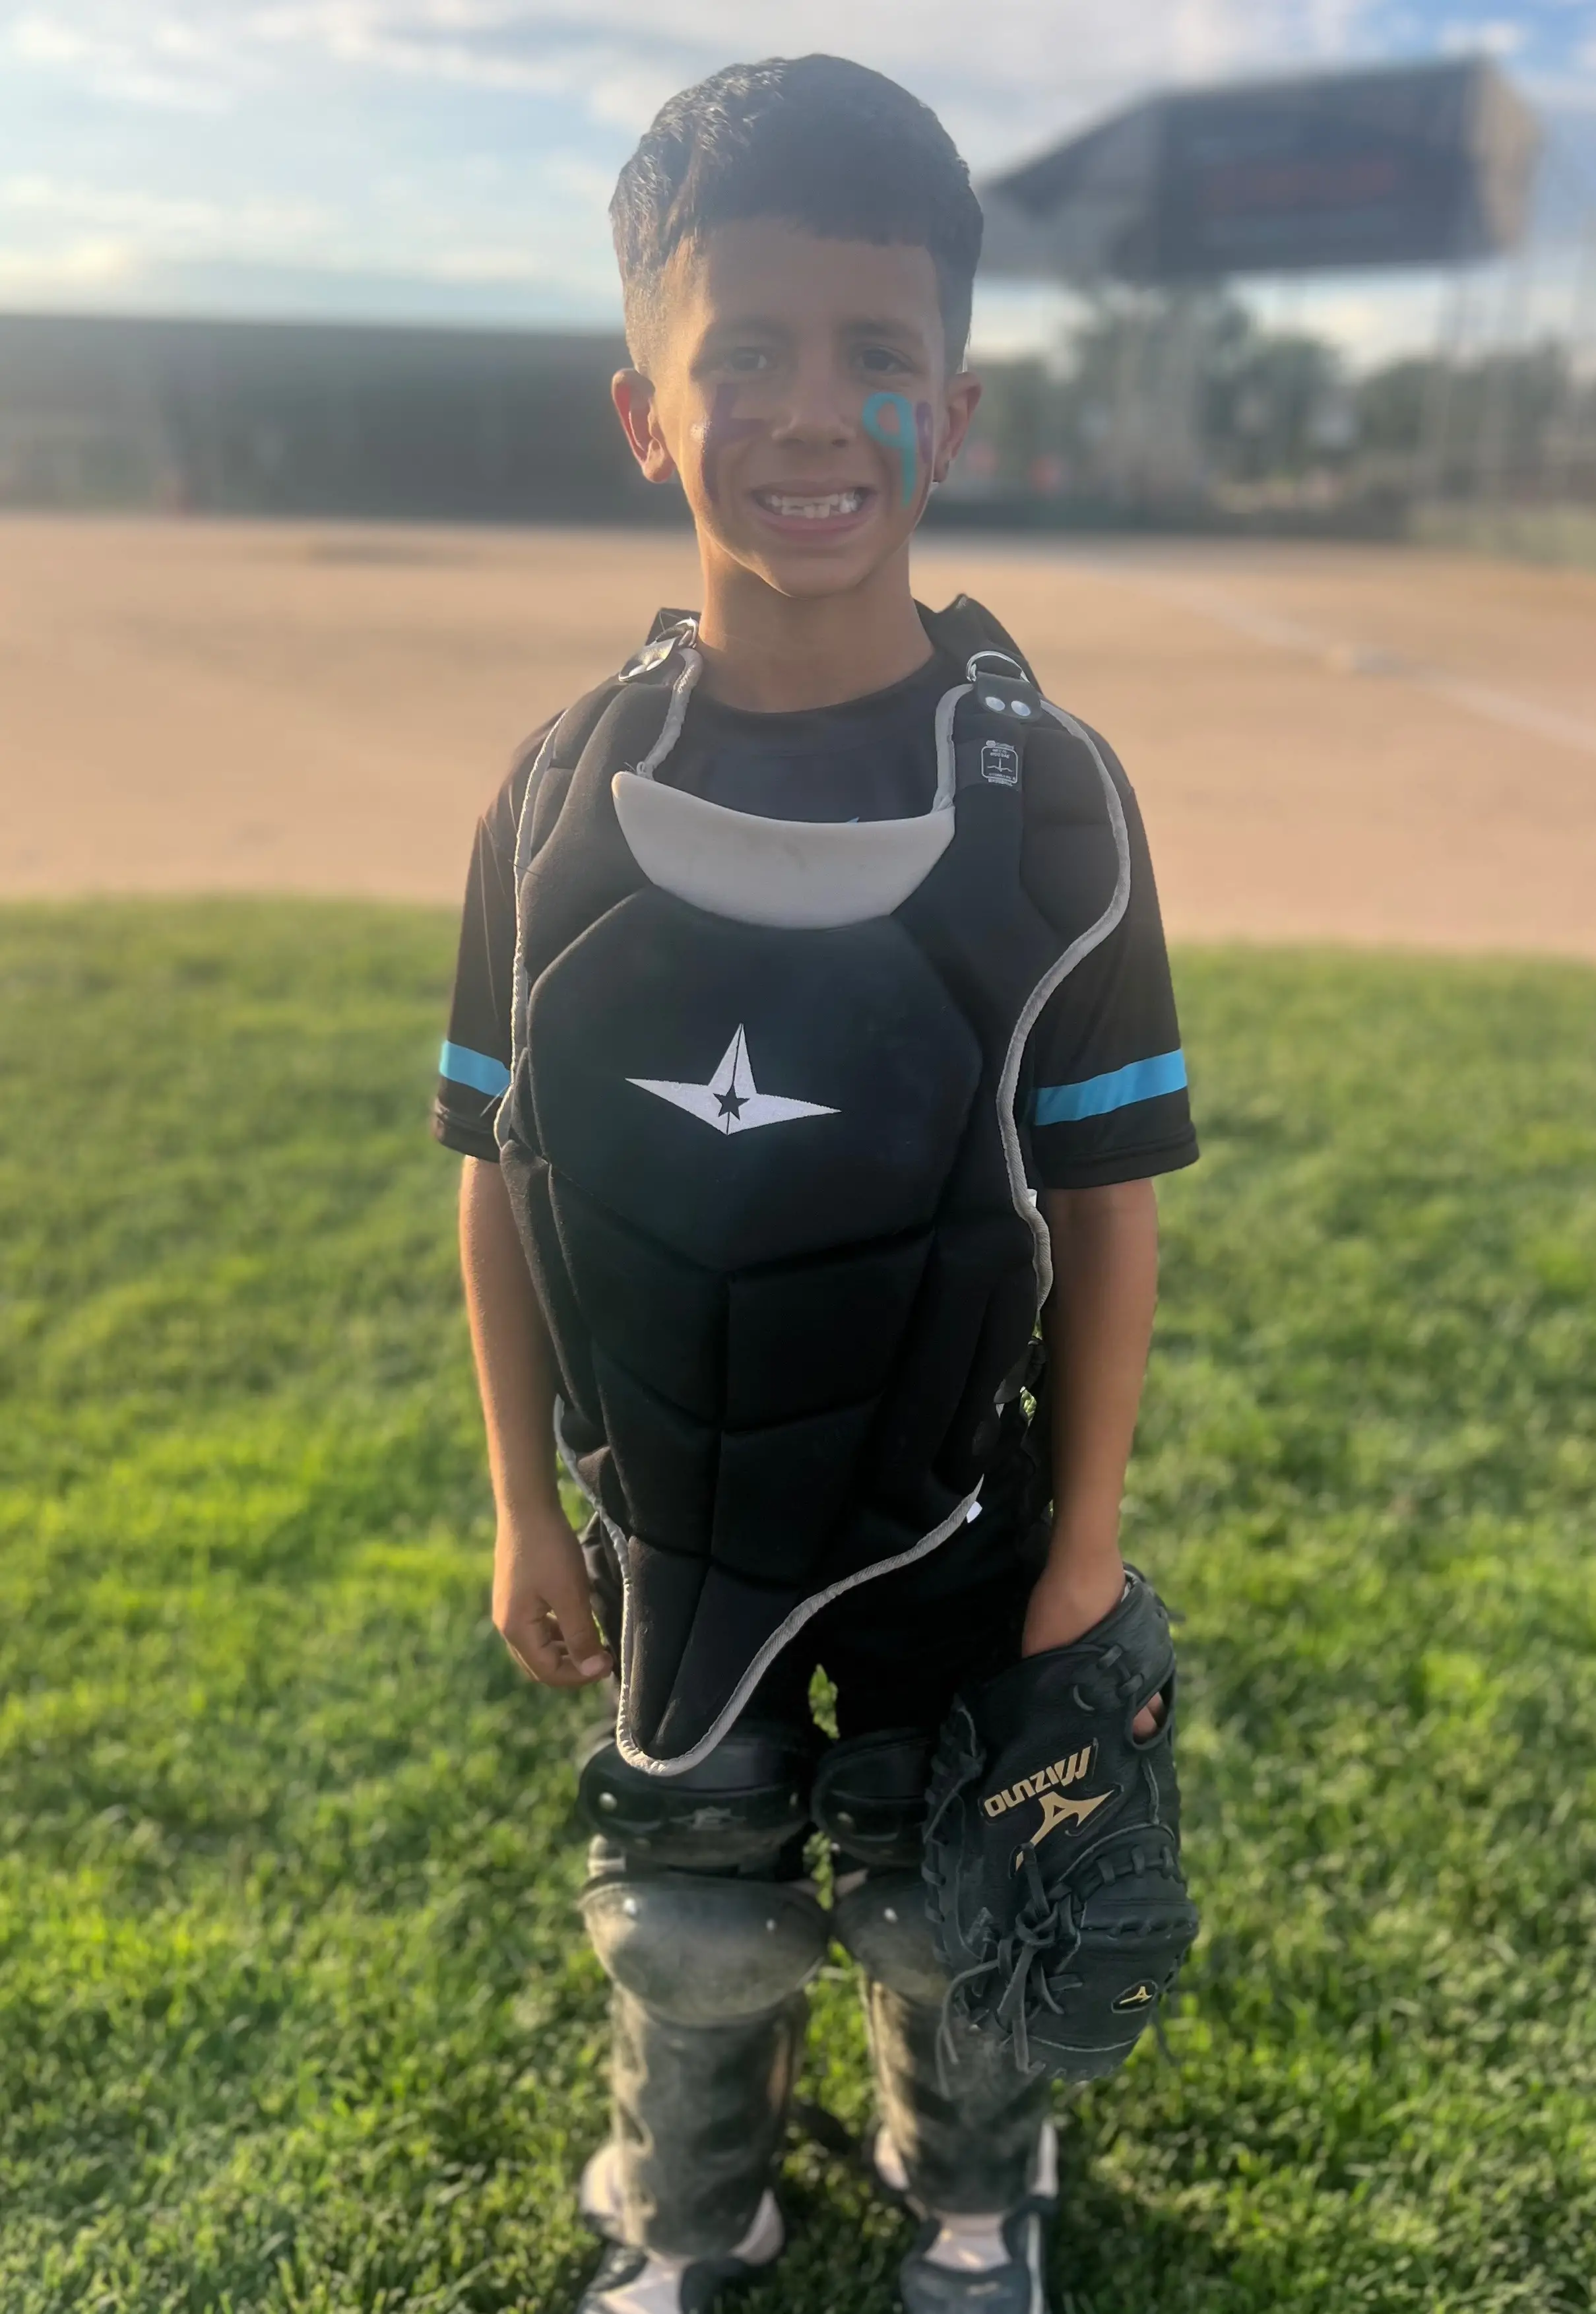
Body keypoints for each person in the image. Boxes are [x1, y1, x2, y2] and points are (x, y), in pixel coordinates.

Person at [433, 54, 1197, 2314]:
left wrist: (1084, 1549)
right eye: (742, 352)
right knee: (688, 1902)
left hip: (954, 1503)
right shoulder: (559, 794)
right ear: (644, 412)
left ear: (951, 412)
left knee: (960, 1885)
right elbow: (498, 1169)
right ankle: (693, 2209)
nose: (809, 414)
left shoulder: (1053, 802)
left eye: (876, 356)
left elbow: (1109, 1199)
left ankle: (969, 2186)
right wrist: (516, 1502)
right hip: (669, 1503)